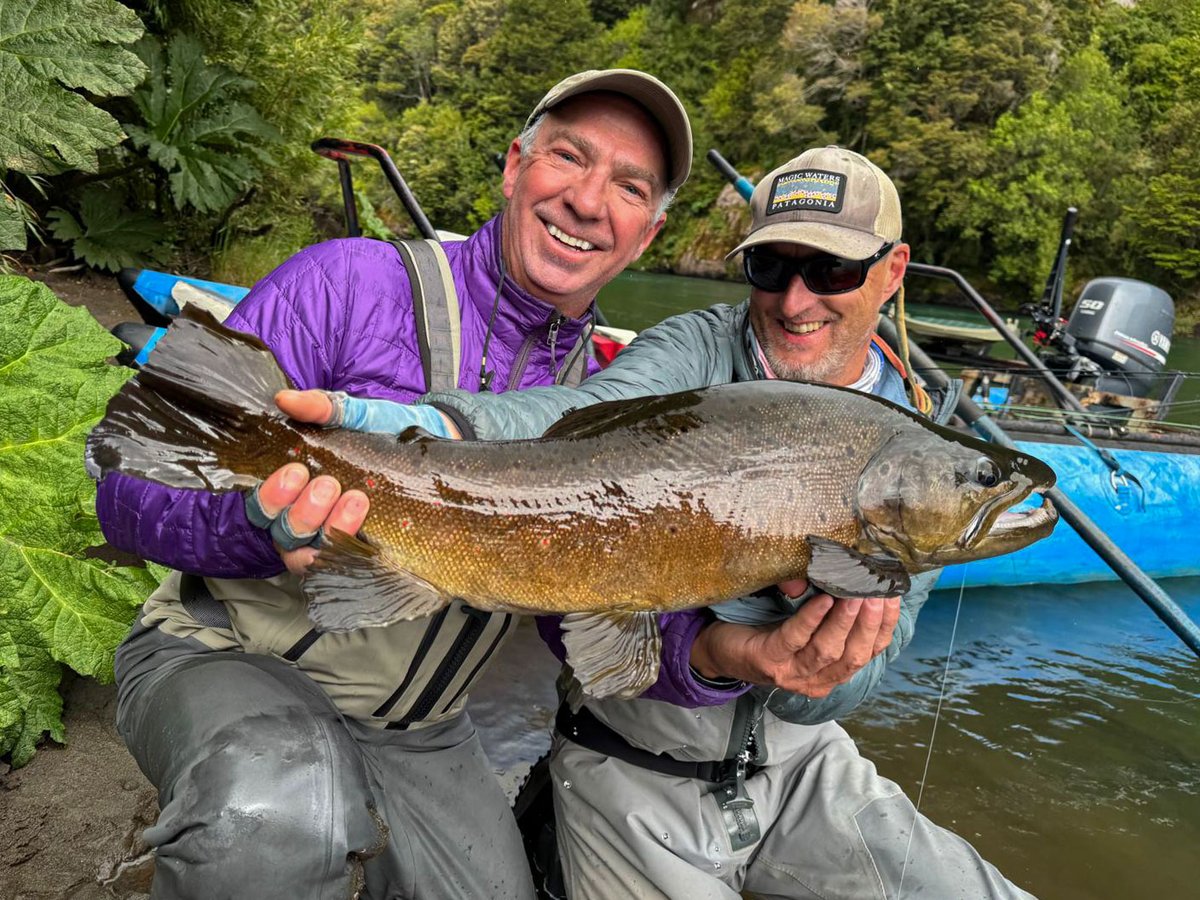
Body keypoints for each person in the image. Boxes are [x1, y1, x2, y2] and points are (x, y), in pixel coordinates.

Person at [292, 146, 1036, 898]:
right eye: (771, 267)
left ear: (894, 268)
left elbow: (844, 688)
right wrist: (398, 424)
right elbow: (571, 418)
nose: (795, 299)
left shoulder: (923, 445)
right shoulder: (691, 349)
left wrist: (804, 660)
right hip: (632, 758)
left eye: (833, 271)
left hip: (804, 763)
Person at [95, 69, 708, 900]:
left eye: (629, 187)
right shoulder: (345, 282)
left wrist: (727, 657)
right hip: (220, 653)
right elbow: (125, 493)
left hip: (418, 728)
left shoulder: (620, 400)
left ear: (648, 233)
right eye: (570, 156)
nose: (589, 200)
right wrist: (257, 526)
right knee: (275, 815)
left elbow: (582, 634)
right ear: (513, 166)